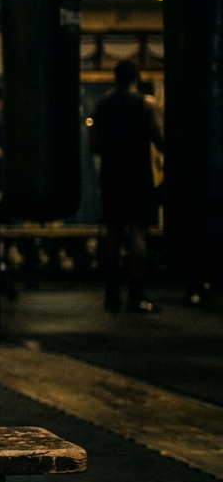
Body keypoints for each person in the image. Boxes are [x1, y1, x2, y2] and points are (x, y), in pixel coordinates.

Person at [90, 60, 164, 313]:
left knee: (113, 232)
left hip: (111, 173)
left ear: (115, 78)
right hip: (138, 173)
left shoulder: (103, 107)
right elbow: (161, 140)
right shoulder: (145, 105)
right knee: (138, 232)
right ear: (137, 78)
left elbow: (95, 144)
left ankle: (111, 295)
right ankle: (136, 294)